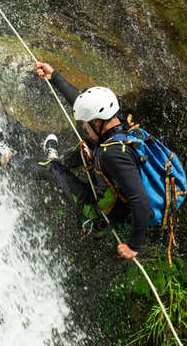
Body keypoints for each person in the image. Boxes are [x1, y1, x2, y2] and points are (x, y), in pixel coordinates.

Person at [33, 62, 151, 260]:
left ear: (97, 122)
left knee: (51, 169)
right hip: (112, 193)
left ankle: (7, 159)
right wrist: (54, 77)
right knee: (86, 146)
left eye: (85, 124)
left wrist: (134, 245)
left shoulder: (114, 154)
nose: (83, 126)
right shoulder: (119, 125)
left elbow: (140, 200)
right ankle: (58, 157)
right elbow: (83, 106)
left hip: (100, 211)